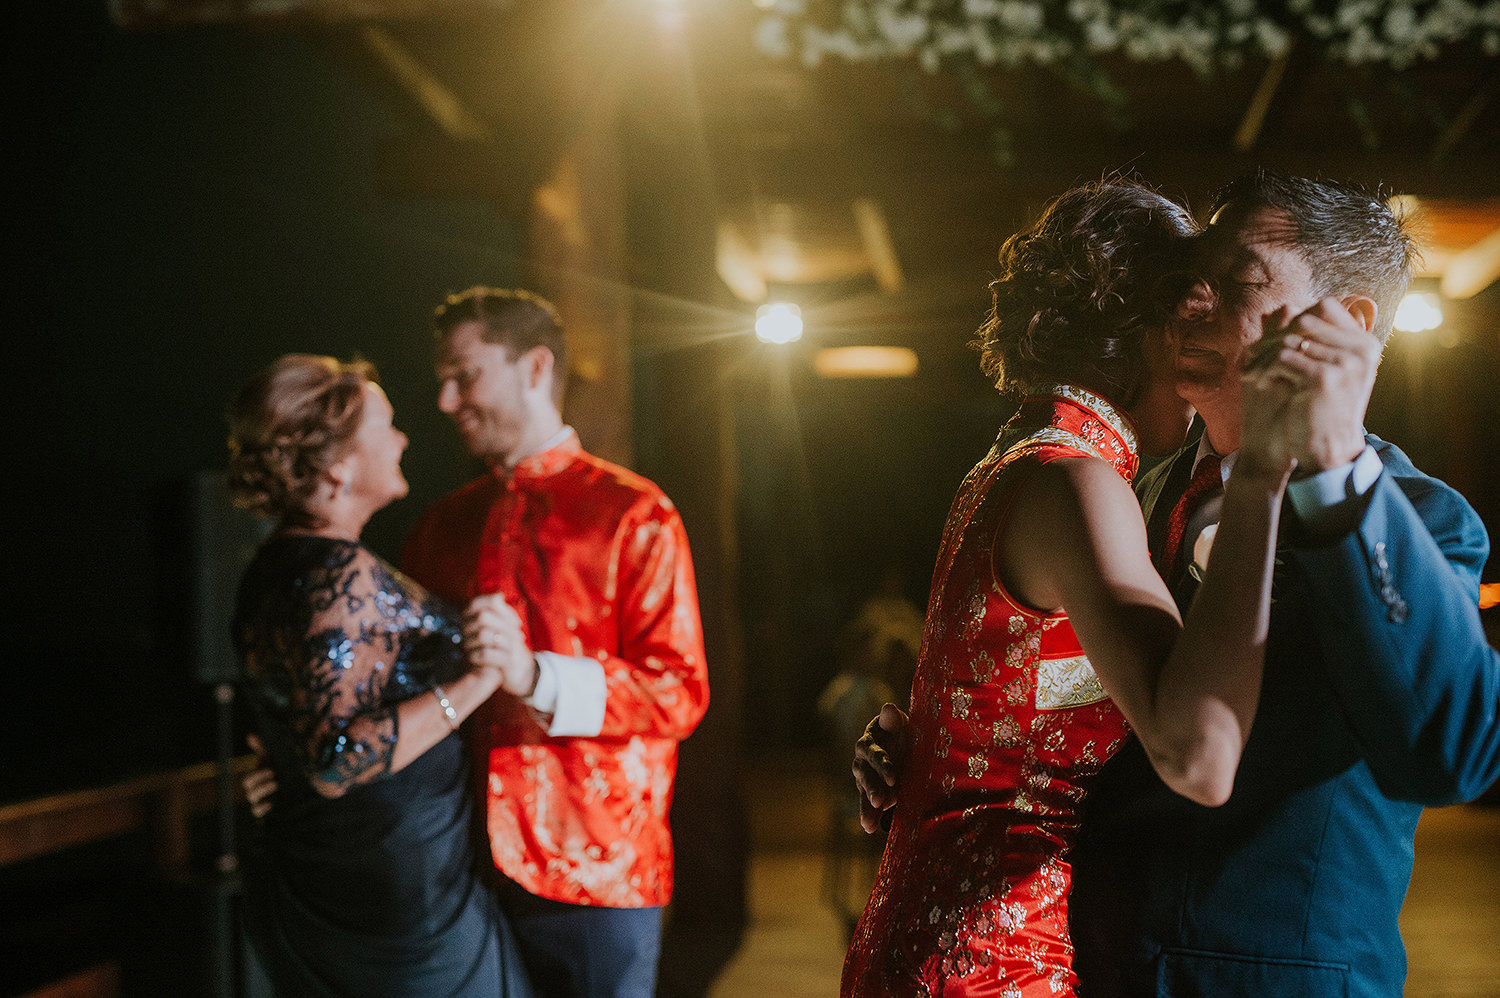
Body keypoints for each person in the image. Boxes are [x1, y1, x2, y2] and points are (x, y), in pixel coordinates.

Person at [856, 171, 1500, 998]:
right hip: (1066, 965)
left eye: (1232, 283)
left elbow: (1456, 755)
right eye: (1184, 280)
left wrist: (1332, 467)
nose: (1187, 305)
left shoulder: (1415, 519)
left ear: (1346, 325)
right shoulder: (1121, 495)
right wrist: (956, 753)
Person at [840, 179, 1299, 997]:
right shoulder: (1077, 483)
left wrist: (916, 755)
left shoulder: (1013, 462)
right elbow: (1199, 756)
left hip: (934, 940)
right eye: (1195, 317)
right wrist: (1266, 460)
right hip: (989, 959)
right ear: (1155, 329)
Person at [400, 287, 711, 998]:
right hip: (455, 868)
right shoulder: (440, 526)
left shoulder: (636, 515)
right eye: (443, 380)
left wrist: (535, 676)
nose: (446, 400)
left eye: (465, 374)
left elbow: (681, 693)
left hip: (597, 869)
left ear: (535, 368)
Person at [227, 354, 534, 998]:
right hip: (394, 902)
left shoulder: (275, 566)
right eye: (387, 424)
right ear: (338, 466)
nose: (403, 438)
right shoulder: (337, 575)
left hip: (337, 876)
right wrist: (479, 680)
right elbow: (335, 760)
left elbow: (299, 719)